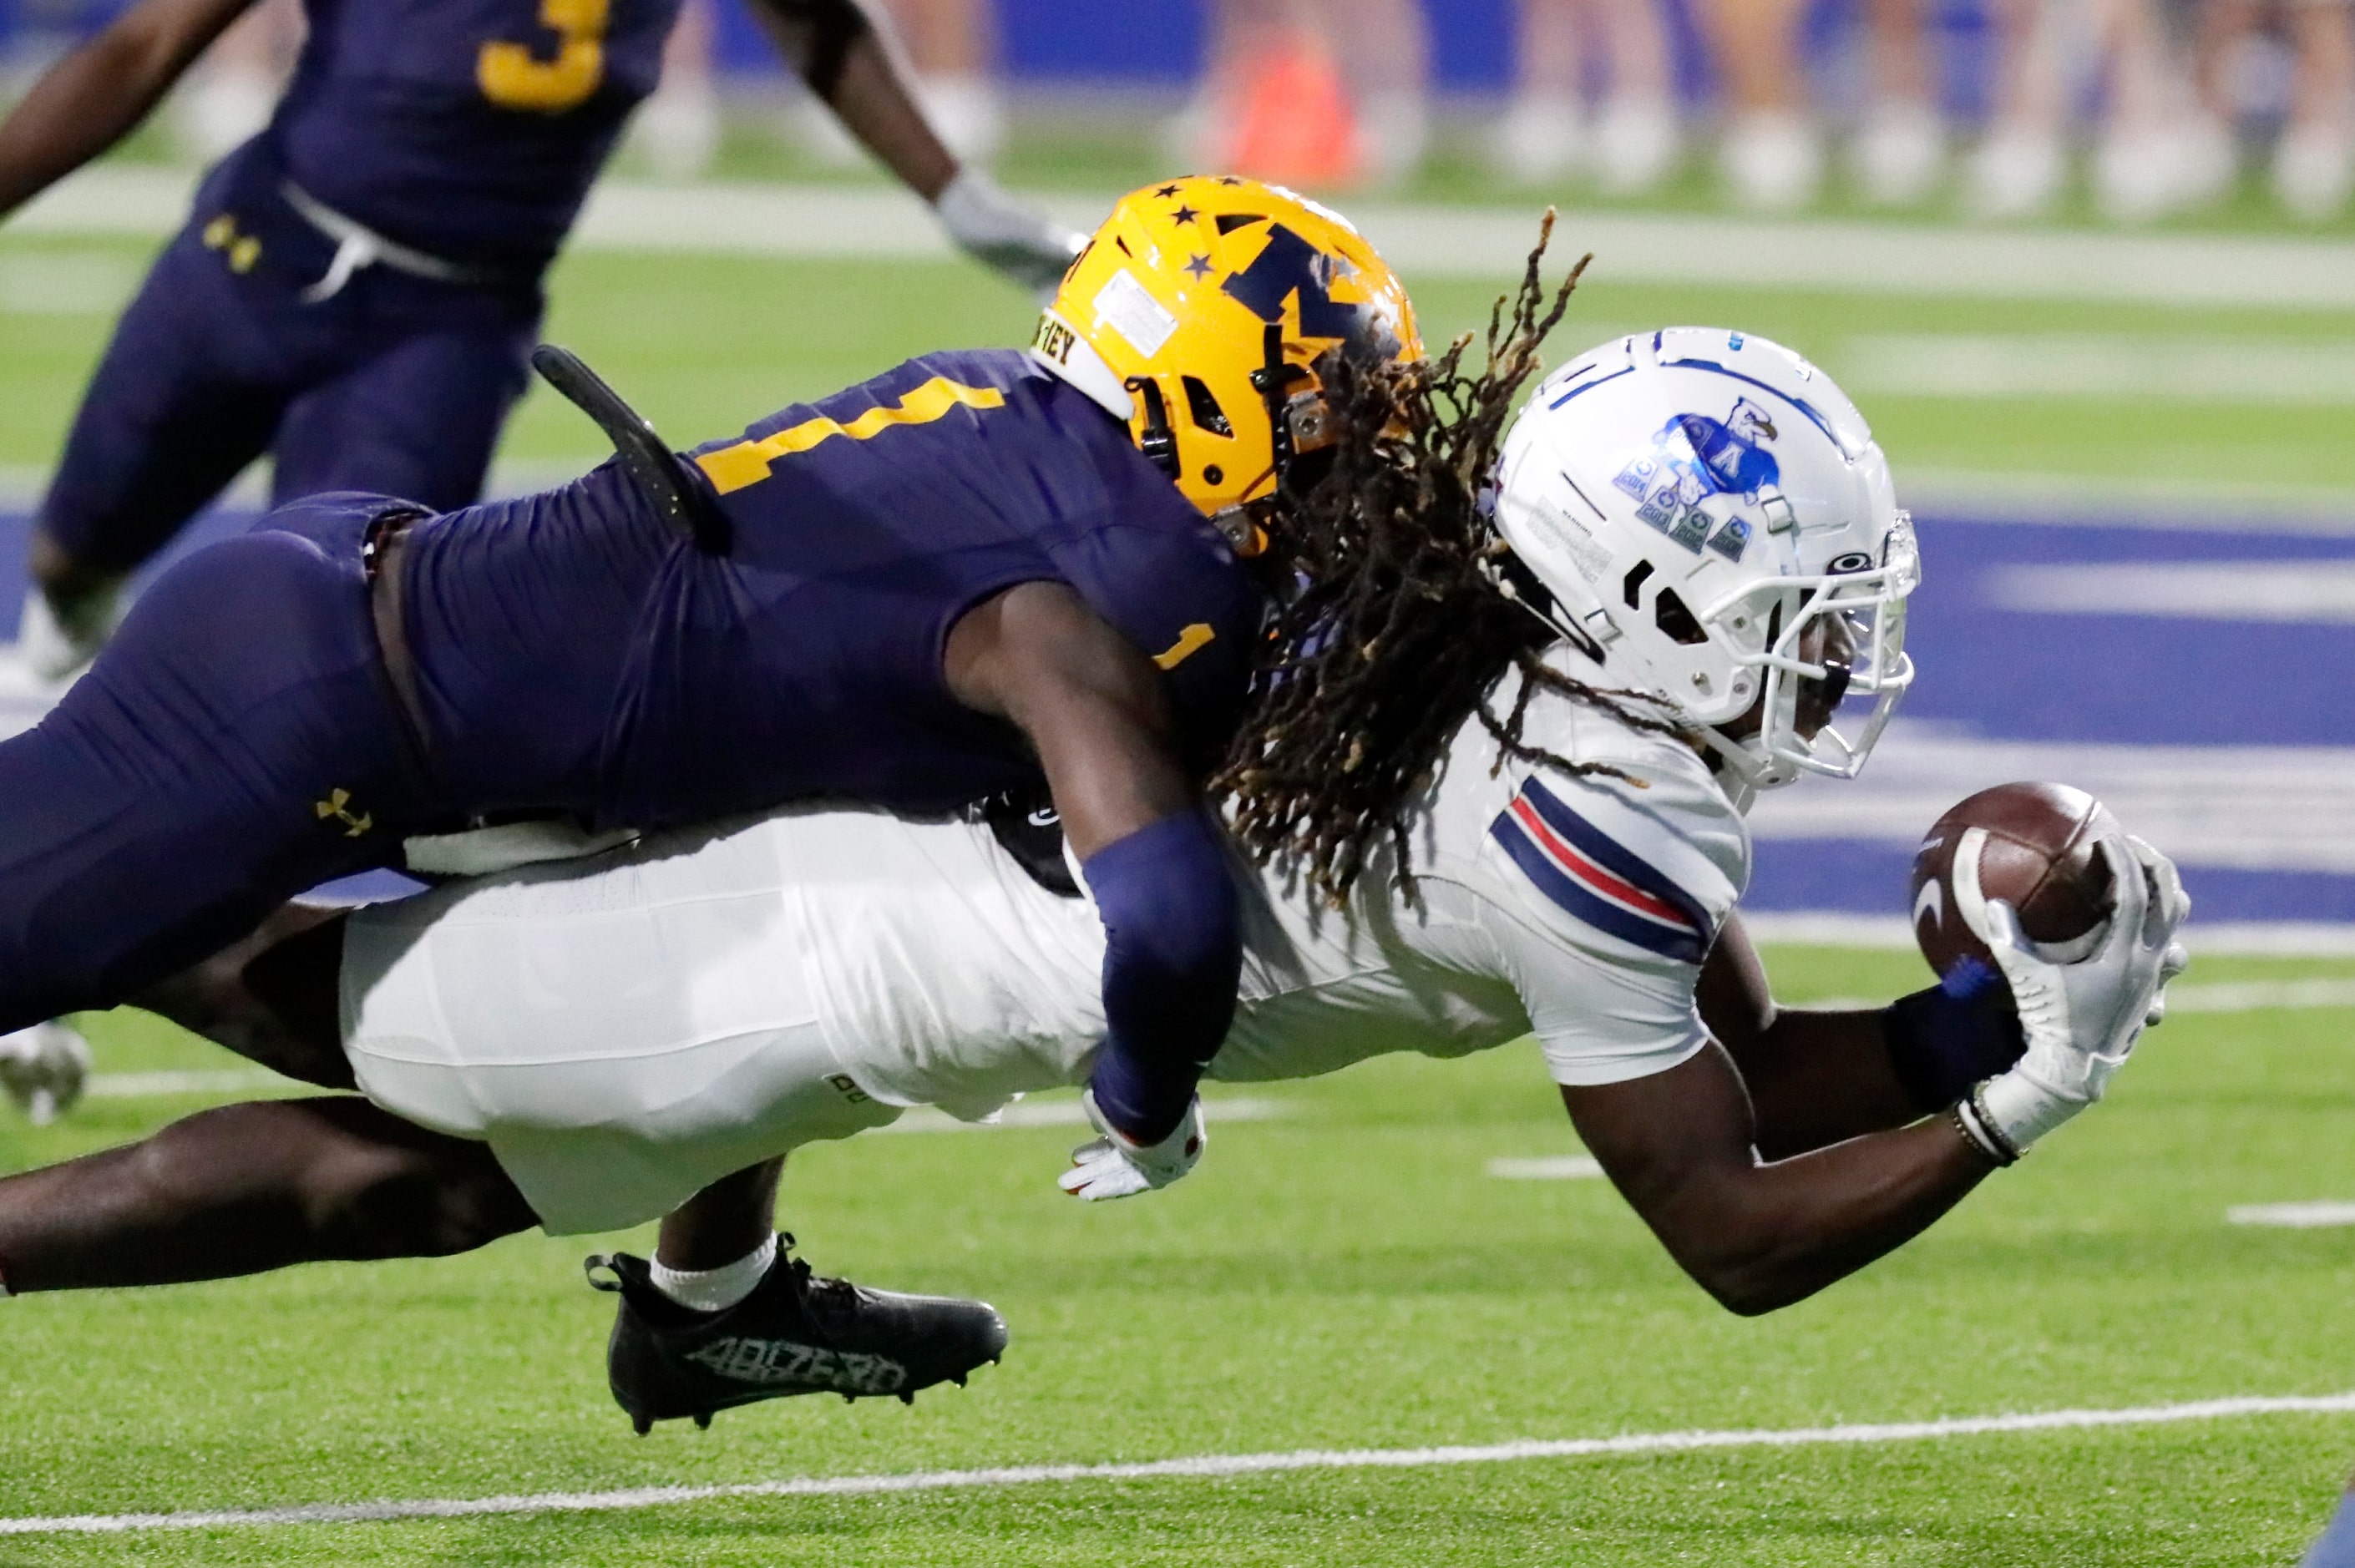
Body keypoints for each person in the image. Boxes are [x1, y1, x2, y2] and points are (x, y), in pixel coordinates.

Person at [0, 321, 2190, 1439]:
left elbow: (1737, 1079)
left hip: (860, 921)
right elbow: (1721, 1228)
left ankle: (694, 1316)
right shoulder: (1581, 821)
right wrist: (2014, 1100)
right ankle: (110, 843)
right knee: (361, 1063)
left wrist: (1974, 1018)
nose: (1830, 642)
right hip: (811, 956)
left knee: (413, 1126)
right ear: (1631, 592)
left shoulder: (1555, 711)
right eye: (1789, 593)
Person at [0, 176, 1423, 1167]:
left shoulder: (1026, 420)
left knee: (400, 1060)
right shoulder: (1120, 565)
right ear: (1201, 382)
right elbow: (1169, 920)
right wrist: (1145, 1097)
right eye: (1327, 405)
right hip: (311, 703)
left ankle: (713, 1304)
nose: (1353, 447)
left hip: (352, 651)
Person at [0, 0, 1085, 685]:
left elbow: (814, 23)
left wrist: (956, 197)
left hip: (447, 328)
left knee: (329, 653)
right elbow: (150, 40)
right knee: (78, 546)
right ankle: (47, 669)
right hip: (260, 253)